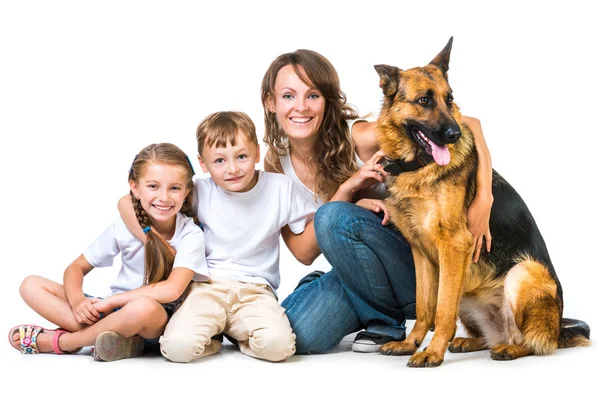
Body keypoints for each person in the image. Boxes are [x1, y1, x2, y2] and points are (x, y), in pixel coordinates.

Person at [260, 49, 494, 353]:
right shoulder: (275, 164)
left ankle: (385, 323)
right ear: (270, 102)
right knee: (301, 336)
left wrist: (484, 199)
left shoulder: (359, 136)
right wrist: (349, 192)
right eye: (289, 96)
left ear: (326, 100)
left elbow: (470, 124)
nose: (301, 107)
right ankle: (343, 284)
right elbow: (303, 252)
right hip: (362, 265)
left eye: (313, 95)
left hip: (407, 262)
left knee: (333, 218)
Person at [118, 111, 317, 362]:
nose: (233, 169)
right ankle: (212, 338)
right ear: (203, 164)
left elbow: (312, 225)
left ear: (257, 153)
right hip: (206, 287)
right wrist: (153, 241)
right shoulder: (200, 190)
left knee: (279, 348)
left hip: (256, 290)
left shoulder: (281, 188)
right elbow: (126, 201)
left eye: (242, 157)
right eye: (220, 161)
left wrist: (348, 195)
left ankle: (238, 333)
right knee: (177, 349)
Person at [8, 143, 208, 361]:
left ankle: (67, 342)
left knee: (142, 307)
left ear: (187, 191)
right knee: (31, 285)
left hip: (156, 320)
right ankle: (118, 339)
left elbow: (171, 290)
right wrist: (78, 302)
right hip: (112, 312)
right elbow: (76, 267)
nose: (164, 197)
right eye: (153, 186)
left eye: (174, 188)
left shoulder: (190, 234)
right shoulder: (124, 226)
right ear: (134, 187)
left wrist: (114, 301)